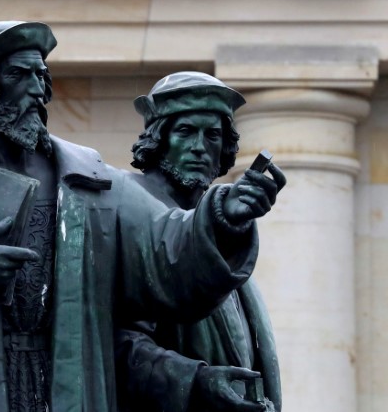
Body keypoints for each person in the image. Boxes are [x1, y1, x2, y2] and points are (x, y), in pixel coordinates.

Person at [0, 21, 285, 412]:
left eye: (42, 75)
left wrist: (222, 216)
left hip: (66, 389)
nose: (38, 90)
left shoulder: (86, 180)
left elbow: (164, 252)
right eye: (20, 75)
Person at [115, 72, 280, 412]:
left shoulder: (220, 229)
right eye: (186, 131)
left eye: (213, 135)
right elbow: (112, 343)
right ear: (159, 138)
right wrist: (196, 382)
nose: (199, 147)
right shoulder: (128, 211)